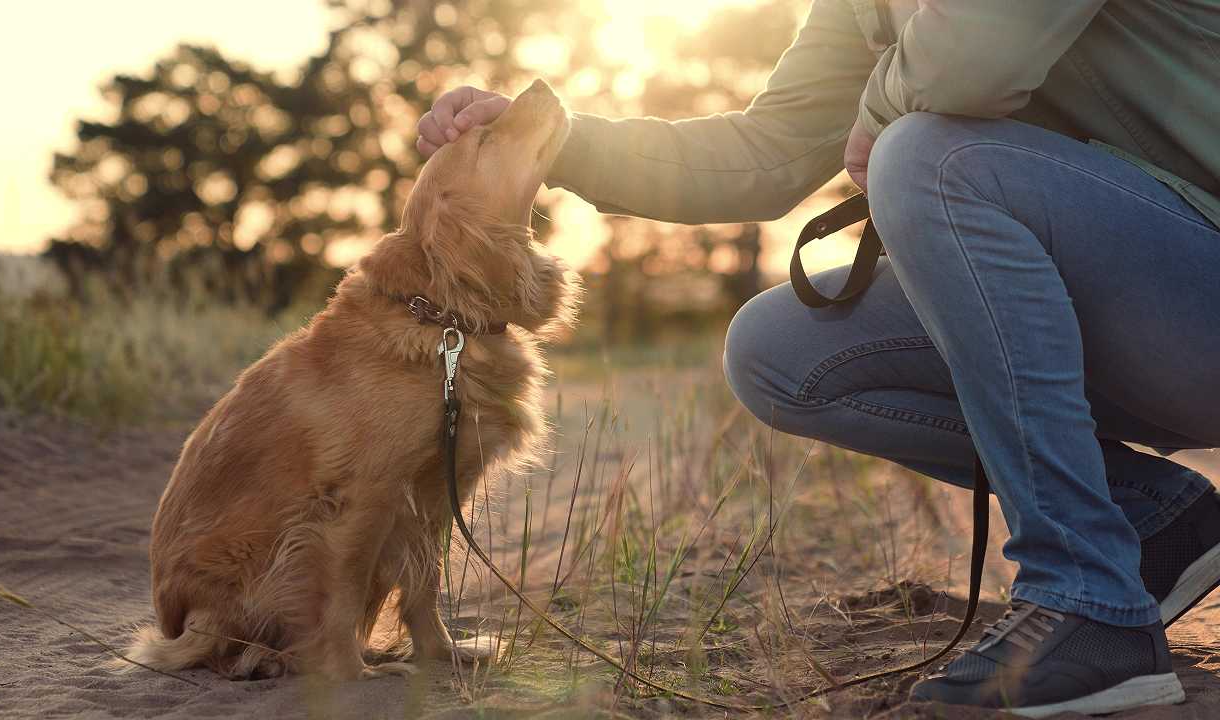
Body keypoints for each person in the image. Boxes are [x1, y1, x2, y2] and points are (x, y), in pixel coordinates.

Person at [416, 2, 1220, 715]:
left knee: (928, 158)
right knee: (779, 349)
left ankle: (1088, 598)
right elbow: (764, 154)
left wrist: (879, 122)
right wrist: (556, 142)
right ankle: (1155, 519)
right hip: (1148, 320)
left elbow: (979, 56)